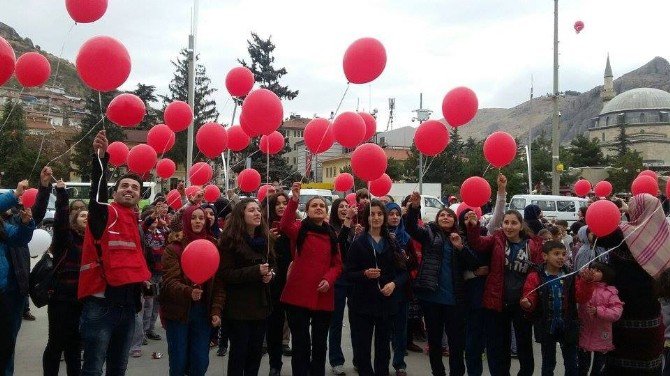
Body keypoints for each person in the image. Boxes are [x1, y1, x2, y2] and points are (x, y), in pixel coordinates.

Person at [78, 130, 152, 376]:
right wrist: (100, 160)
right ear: (115, 192)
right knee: (93, 369)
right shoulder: (104, 214)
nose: (129, 189)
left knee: (119, 368)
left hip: (128, 307)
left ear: (140, 195)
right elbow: (96, 198)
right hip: (101, 306)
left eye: (134, 187)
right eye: (124, 186)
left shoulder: (135, 223)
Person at [465, 209, 545, 376]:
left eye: (513, 223)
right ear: (501, 224)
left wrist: (531, 297)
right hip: (497, 301)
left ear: (521, 225)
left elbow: (537, 274)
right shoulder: (497, 239)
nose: (509, 226)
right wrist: (473, 227)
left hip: (522, 303)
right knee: (498, 346)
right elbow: (477, 243)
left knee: (524, 345)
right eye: (506, 222)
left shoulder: (533, 244)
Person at [598, 193, 670, 375]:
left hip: (622, 313)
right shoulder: (664, 236)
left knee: (620, 367)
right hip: (651, 316)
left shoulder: (622, 234)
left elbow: (598, 237)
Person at [407, 191, 473, 376]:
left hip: (455, 300)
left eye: (449, 215)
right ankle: (438, 373)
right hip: (432, 298)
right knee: (435, 342)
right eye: (442, 215)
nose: (445, 217)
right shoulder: (429, 233)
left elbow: (472, 263)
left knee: (456, 344)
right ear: (437, 219)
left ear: (454, 221)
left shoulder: (461, 237)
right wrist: (414, 207)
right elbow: (411, 227)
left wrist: (460, 246)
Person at [279, 183, 342, 376]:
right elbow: (284, 225)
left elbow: (338, 265)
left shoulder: (332, 234)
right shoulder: (300, 229)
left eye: (322, 206)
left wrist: (328, 279)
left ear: (326, 211)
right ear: (306, 211)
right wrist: (294, 200)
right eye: (314, 205)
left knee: (320, 344)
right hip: (297, 296)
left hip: (323, 296)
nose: (318, 208)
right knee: (301, 344)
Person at [345, 200, 407, 376]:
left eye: (380, 214)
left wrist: (393, 284)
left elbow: (403, 273)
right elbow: (348, 273)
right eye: (372, 214)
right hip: (362, 304)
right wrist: (364, 274)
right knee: (363, 347)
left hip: (386, 303)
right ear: (366, 217)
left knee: (383, 348)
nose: (376, 217)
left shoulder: (393, 243)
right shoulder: (358, 243)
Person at [216, 198, 275, 376]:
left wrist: (270, 275)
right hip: (238, 307)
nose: (257, 213)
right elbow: (226, 274)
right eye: (251, 210)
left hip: (261, 306)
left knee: (255, 354)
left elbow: (273, 265)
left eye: (258, 210)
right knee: (239, 353)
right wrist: (255, 271)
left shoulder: (265, 239)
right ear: (241, 215)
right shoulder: (229, 240)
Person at [161, 205, 221, 375]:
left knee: (200, 361)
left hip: (203, 312)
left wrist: (216, 309)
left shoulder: (214, 245)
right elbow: (169, 281)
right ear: (187, 220)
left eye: (201, 218)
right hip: (178, 312)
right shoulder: (174, 248)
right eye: (193, 217)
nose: (197, 221)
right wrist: (188, 291)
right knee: (179, 361)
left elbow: (219, 284)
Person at [42, 180, 87, 376]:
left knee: (75, 347)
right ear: (74, 218)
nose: (87, 217)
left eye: (89, 215)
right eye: (83, 215)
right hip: (61, 299)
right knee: (56, 344)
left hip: (83, 300)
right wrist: (62, 195)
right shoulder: (66, 237)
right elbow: (60, 221)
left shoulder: (93, 242)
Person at [520, 241, 580, 376]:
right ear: (545, 256)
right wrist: (528, 303)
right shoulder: (535, 276)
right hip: (546, 325)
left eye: (564, 254)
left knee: (571, 362)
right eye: (556, 254)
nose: (561, 257)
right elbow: (530, 294)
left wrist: (587, 284)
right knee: (548, 362)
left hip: (568, 324)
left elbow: (580, 296)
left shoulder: (570, 275)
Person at [0, 181, 36, 374]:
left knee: (6, 346)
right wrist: (14, 194)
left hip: (6, 293)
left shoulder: (3, 225)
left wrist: (24, 224)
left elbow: (19, 238)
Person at [262, 192, 293, 376]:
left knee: (296, 324)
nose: (281, 206)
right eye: (277, 204)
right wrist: (269, 239)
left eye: (284, 203)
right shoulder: (264, 227)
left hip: (293, 282)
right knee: (274, 325)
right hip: (274, 283)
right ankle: (275, 364)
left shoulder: (294, 225)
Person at [385, 201, 417, 376]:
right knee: (383, 329)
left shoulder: (406, 238)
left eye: (397, 214)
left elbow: (414, 263)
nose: (395, 217)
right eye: (391, 214)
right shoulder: (379, 236)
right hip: (383, 289)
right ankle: (382, 361)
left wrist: (407, 258)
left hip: (401, 289)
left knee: (400, 329)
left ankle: (399, 364)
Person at [575, 262, 623, 376]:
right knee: (582, 367)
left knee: (598, 369)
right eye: (592, 269)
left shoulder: (610, 292)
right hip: (584, 333)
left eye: (598, 270)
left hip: (602, 336)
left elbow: (616, 312)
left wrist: (598, 311)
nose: (593, 272)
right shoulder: (583, 285)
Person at [327, 197, 356, 376]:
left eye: (347, 206)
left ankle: (359, 359)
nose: (345, 209)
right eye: (341, 207)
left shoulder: (354, 229)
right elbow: (337, 245)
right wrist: (347, 224)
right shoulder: (330, 229)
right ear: (335, 210)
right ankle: (336, 360)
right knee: (336, 322)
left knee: (357, 321)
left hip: (353, 279)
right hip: (338, 280)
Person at [141, 202, 169, 342]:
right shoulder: (143, 232)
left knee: (157, 303)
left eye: (157, 219)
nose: (156, 221)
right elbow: (146, 223)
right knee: (148, 304)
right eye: (154, 219)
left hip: (161, 272)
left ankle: (151, 329)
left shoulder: (162, 232)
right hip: (149, 273)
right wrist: (154, 215)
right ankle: (143, 332)